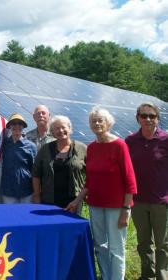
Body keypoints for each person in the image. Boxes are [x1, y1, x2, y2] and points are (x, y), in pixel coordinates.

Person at [66, 107, 137, 280]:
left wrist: (126, 209)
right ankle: (106, 277)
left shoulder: (119, 145)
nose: (97, 123)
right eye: (93, 121)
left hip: (116, 207)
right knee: (100, 246)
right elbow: (89, 181)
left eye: (100, 120)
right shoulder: (92, 148)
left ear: (108, 123)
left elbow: (130, 179)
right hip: (96, 205)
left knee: (116, 248)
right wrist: (77, 201)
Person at [125, 102, 168, 280]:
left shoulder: (166, 139)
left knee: (163, 244)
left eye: (152, 116)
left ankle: (162, 276)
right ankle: (147, 276)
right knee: (143, 243)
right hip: (139, 200)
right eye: (144, 116)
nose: (148, 119)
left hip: (161, 200)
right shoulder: (130, 141)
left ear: (158, 118)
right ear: (138, 119)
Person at [32, 115, 86, 214]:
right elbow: (36, 174)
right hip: (49, 200)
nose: (60, 131)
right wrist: (36, 196)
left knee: (72, 228)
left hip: (74, 202)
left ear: (70, 129)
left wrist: (80, 197)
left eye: (63, 127)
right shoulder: (45, 149)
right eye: (57, 129)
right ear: (52, 132)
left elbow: (91, 175)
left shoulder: (82, 148)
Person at [0, 113, 36, 204]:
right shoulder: (4, 144)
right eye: (14, 124)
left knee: (25, 216)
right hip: (8, 189)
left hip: (26, 189)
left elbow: (35, 169)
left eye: (20, 124)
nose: (17, 126)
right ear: (9, 127)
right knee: (9, 215)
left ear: (23, 126)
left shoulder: (31, 146)